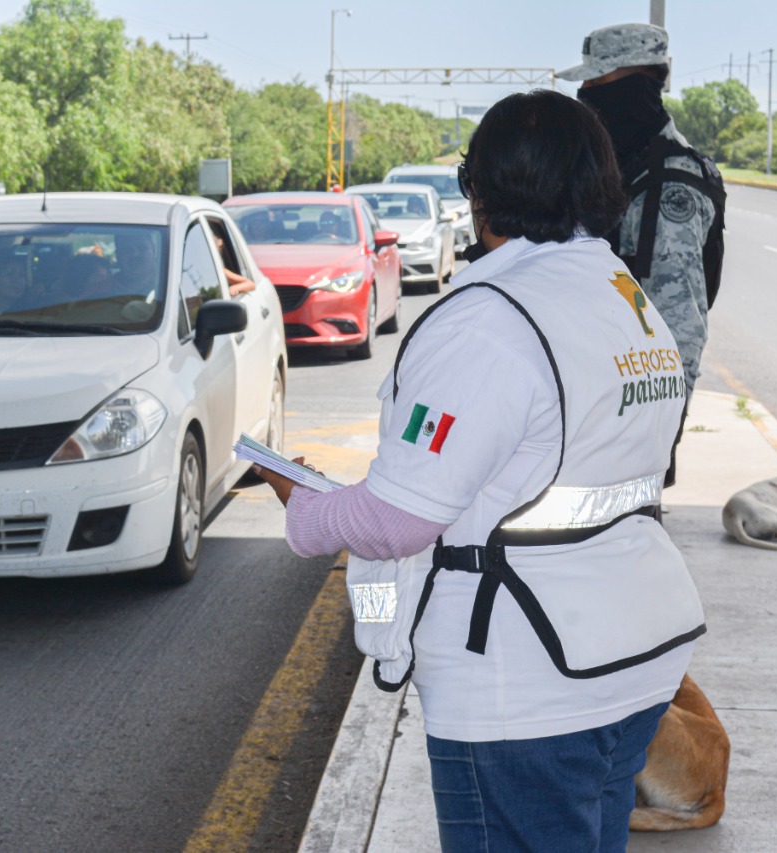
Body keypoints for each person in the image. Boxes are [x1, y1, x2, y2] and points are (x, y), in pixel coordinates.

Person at [254, 90, 705, 851]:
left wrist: (303, 502)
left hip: (523, 687)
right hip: (631, 659)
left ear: (480, 191)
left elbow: (398, 520)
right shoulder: (623, 295)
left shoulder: (488, 319)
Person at [558, 22, 726, 486]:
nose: (586, 94)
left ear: (642, 82)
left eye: (598, 84)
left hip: (625, 426)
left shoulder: (671, 183)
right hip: (583, 406)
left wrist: (659, 439)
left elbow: (680, 326)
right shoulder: (615, 168)